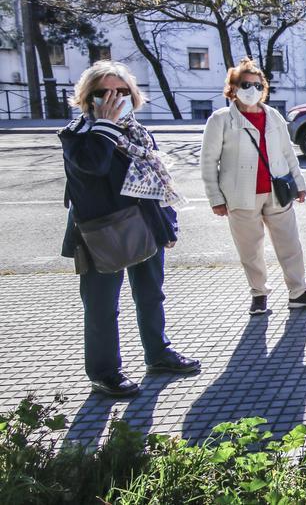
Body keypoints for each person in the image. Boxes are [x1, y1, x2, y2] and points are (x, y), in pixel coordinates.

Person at [59, 61, 200, 397]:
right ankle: (104, 372)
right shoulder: (77, 135)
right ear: (86, 97)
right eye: (103, 92)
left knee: (151, 294)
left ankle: (158, 354)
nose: (113, 98)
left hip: (144, 225)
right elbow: (94, 166)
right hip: (100, 233)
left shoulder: (136, 131)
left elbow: (153, 183)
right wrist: (105, 126)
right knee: (101, 306)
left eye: (121, 92)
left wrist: (167, 226)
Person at [201, 59, 306, 315]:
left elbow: (287, 153)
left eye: (257, 85)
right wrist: (215, 197)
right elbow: (208, 161)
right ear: (233, 88)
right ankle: (259, 294)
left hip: (277, 192)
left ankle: (299, 291)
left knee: (290, 244)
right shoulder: (221, 120)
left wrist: (299, 184)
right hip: (240, 196)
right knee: (251, 249)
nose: (252, 89)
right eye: (245, 84)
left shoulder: (273, 116)